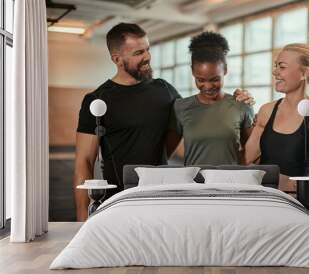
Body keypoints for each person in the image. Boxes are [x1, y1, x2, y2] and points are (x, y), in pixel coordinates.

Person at [74, 23, 252, 221]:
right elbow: (84, 161)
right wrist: (82, 218)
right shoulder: (98, 99)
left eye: (148, 49)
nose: (147, 57)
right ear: (117, 59)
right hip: (118, 199)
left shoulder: (164, 90)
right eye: (139, 52)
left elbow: (200, 109)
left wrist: (239, 99)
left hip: (161, 195)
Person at [244, 43, 309, 192]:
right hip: (261, 199)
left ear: (304, 73)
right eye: (275, 66)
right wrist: (242, 113)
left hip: (292, 205)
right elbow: (246, 161)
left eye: (282, 67)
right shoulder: (266, 110)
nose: (275, 72)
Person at [173, 32, 254, 165]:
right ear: (192, 71)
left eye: (215, 79)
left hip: (232, 183)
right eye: (200, 80)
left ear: (225, 70)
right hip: (194, 184)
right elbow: (166, 151)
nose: (208, 86)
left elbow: (251, 152)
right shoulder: (180, 107)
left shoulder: (241, 104)